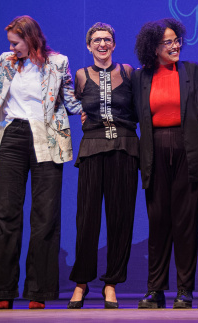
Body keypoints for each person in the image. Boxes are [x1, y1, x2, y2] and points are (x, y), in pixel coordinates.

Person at [0, 15, 81, 310]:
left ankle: (39, 290)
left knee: (45, 215)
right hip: (13, 134)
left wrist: (95, 109)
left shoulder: (58, 62)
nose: (11, 48)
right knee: (6, 212)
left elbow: (69, 100)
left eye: (15, 42)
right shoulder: (6, 61)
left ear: (31, 38)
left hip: (46, 137)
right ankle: (2, 289)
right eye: (10, 43)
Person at [132, 18, 198, 309]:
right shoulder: (140, 78)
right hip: (153, 151)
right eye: (168, 41)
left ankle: (185, 290)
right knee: (158, 223)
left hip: (188, 148)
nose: (176, 45)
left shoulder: (192, 71)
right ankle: (155, 289)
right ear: (153, 47)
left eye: (177, 40)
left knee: (186, 224)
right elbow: (128, 113)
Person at [67, 23, 139, 310]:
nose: (102, 44)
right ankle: (82, 282)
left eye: (107, 39)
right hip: (93, 148)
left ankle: (111, 283)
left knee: (120, 218)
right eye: (96, 40)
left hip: (124, 147)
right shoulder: (81, 76)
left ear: (114, 44)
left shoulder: (129, 72)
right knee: (87, 219)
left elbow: (140, 107)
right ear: (88, 45)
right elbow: (69, 104)